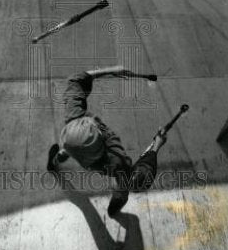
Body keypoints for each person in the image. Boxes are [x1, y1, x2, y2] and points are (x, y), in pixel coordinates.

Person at [47, 66, 166, 217]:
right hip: (100, 162)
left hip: (75, 148)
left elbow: (75, 79)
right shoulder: (115, 155)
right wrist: (157, 145)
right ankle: (115, 206)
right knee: (122, 184)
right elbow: (142, 174)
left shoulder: (73, 117)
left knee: (69, 147)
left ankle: (55, 161)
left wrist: (109, 71)